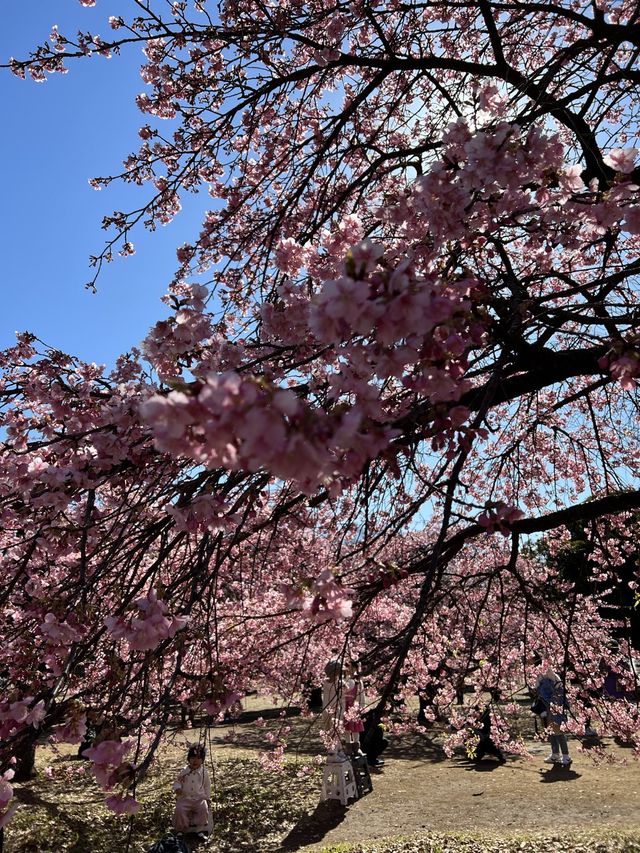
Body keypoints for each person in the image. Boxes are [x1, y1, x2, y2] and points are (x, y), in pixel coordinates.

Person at [534, 667, 572, 766]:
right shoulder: (542, 677)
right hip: (548, 707)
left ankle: (565, 756)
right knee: (552, 732)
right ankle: (555, 754)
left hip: (555, 706)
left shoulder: (549, 677)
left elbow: (549, 693)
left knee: (558, 731)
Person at [173, 745, 211, 835]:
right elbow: (177, 781)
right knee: (180, 809)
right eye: (193, 758)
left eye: (198, 758)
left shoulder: (204, 773)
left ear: (202, 760)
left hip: (199, 798)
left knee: (203, 809)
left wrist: (207, 797)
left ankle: (199, 829)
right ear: (188, 759)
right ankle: (181, 829)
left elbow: (207, 786)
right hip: (185, 797)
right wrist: (177, 788)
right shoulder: (184, 772)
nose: (195, 761)